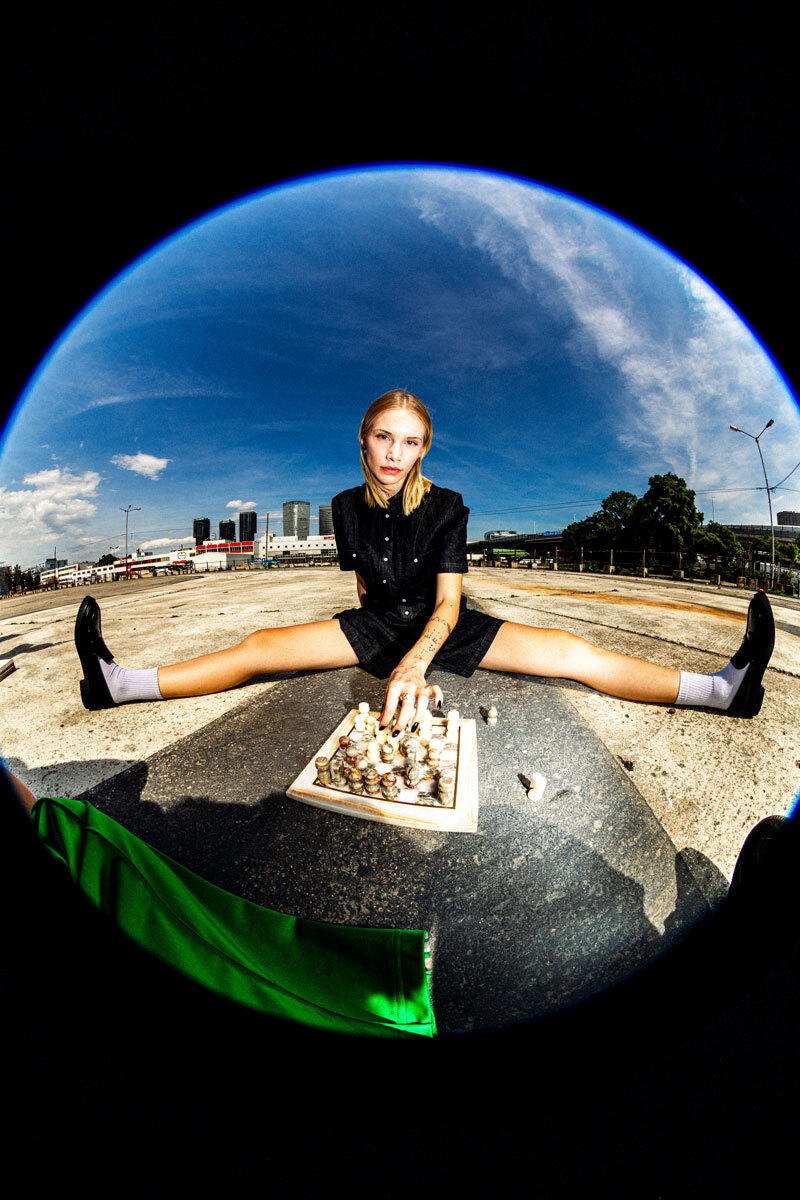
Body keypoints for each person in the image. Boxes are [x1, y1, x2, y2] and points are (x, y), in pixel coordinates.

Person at [75, 389, 775, 726]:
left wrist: (415, 661)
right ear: (363, 439)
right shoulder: (344, 506)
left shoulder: (448, 506)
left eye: (409, 443)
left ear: (423, 450)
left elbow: (446, 604)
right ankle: (120, 683)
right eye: (384, 438)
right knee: (259, 645)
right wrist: (367, 642)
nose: (394, 454)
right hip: (376, 623)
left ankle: (719, 690)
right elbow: (358, 582)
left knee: (569, 649)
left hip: (445, 623)